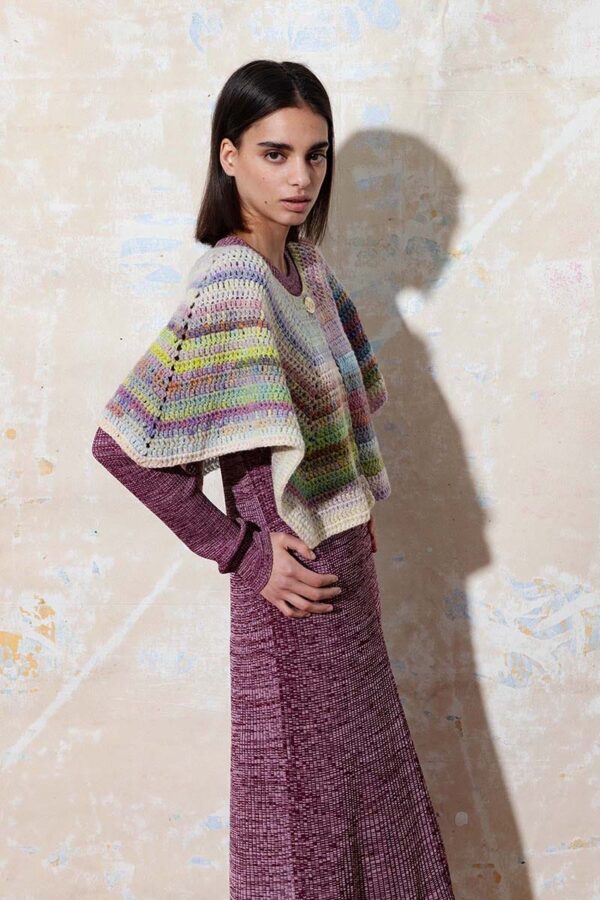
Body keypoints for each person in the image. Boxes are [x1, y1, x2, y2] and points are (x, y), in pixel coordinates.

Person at [92, 59, 455, 900]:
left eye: (315, 155)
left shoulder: (308, 271)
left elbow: (347, 411)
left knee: (377, 821)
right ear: (229, 158)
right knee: (308, 844)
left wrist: (346, 519)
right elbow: (122, 448)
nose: (300, 177)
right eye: (275, 153)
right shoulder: (232, 286)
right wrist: (243, 551)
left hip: (349, 593)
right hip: (294, 611)